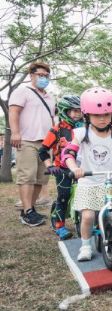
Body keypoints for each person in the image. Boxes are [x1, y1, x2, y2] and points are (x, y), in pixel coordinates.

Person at [61, 87, 112, 261]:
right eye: (97, 115)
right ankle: (85, 245)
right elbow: (68, 154)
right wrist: (75, 168)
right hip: (88, 180)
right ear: (87, 116)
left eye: (107, 115)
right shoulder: (81, 134)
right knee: (88, 216)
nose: (103, 119)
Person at [9, 61, 55, 226]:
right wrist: (15, 132)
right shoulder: (23, 91)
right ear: (31, 76)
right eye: (40, 75)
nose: (43, 78)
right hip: (27, 140)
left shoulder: (50, 97)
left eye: (46, 76)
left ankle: (30, 209)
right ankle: (27, 211)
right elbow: (14, 111)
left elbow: (52, 119)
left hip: (46, 143)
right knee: (27, 176)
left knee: (40, 178)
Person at [39, 95, 83, 239]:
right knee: (63, 196)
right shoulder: (57, 130)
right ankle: (59, 225)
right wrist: (50, 166)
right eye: (74, 111)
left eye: (79, 110)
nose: (78, 114)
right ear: (65, 111)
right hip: (62, 169)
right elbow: (43, 150)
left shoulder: (85, 127)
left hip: (82, 168)